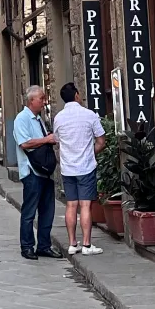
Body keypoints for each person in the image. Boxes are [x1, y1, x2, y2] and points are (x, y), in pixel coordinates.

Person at [53, 82, 106, 256]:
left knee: (71, 205)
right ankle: (87, 244)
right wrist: (90, 153)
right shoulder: (89, 115)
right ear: (76, 95)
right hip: (86, 167)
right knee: (85, 205)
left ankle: (72, 244)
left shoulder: (59, 118)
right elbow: (101, 141)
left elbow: (57, 140)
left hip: (68, 168)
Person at [13, 85, 62, 261]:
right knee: (29, 211)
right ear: (31, 100)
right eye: (41, 98)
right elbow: (24, 143)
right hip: (32, 171)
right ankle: (26, 246)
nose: (44, 101)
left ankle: (44, 245)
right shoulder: (22, 119)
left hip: (44, 171)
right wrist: (46, 139)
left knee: (47, 211)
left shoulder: (38, 119)